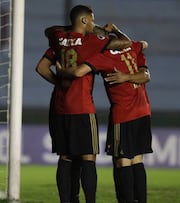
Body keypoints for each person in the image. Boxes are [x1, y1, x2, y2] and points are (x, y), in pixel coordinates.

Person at [37, 4, 131, 203]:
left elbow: (41, 67)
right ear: (84, 20)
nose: (94, 23)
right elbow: (124, 43)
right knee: (88, 157)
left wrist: (60, 83)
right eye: (92, 19)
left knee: (65, 157)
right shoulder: (91, 42)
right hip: (81, 107)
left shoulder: (57, 39)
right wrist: (107, 31)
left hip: (58, 106)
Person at [56, 26, 152, 203]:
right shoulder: (133, 47)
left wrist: (61, 72)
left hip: (124, 114)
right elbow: (145, 71)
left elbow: (78, 72)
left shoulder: (103, 57)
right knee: (137, 159)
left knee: (122, 161)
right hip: (144, 110)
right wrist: (116, 29)